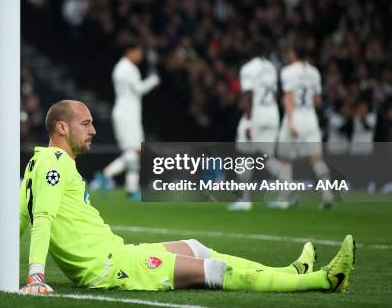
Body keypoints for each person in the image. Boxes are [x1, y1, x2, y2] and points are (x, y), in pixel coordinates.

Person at [18, 100, 354, 294]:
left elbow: (20, 216)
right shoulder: (57, 164)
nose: (93, 131)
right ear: (62, 128)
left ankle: (291, 271)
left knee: (195, 246)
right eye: (86, 123)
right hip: (111, 268)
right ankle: (322, 280)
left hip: (119, 252)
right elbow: (41, 220)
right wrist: (36, 275)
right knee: (215, 270)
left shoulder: (38, 162)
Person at [94, 41, 159, 199]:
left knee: (135, 152)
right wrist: (153, 80)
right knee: (135, 152)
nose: (140, 56)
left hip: (126, 112)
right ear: (129, 52)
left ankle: (131, 190)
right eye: (138, 52)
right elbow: (139, 89)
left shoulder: (119, 67)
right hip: (128, 114)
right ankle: (106, 174)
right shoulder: (130, 69)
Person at [230, 39, 286, 211]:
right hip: (272, 114)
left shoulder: (248, 68)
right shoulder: (272, 67)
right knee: (267, 157)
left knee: (243, 156)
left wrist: (248, 121)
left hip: (256, 115)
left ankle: (244, 200)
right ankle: (285, 194)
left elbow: (248, 95)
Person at [275, 46, 333, 210]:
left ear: (293, 54)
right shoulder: (315, 72)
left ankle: (285, 198)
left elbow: (289, 97)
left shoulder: (288, 71)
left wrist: (291, 122)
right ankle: (327, 193)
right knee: (316, 158)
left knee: (285, 159)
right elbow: (318, 101)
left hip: (295, 117)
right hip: (310, 118)